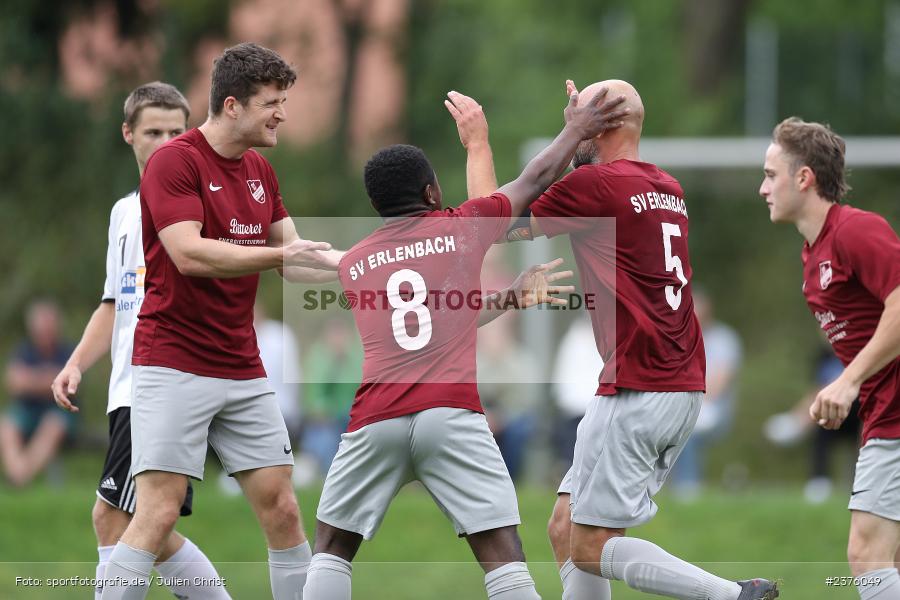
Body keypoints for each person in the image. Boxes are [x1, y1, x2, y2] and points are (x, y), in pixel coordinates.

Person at [302, 88, 629, 600]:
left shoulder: (355, 263)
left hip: (376, 418)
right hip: (450, 413)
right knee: (501, 553)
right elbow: (535, 179)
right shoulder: (461, 228)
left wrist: (507, 297)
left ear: (375, 204)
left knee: (330, 547)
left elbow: (431, 316)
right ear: (432, 192)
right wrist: (571, 129)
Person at [462, 79, 778, 600]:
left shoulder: (597, 187)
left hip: (639, 385)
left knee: (590, 548)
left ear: (598, 126)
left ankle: (732, 595)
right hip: (676, 381)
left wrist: (479, 146)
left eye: (579, 115)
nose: (570, 122)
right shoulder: (666, 186)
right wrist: (577, 131)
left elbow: (489, 222)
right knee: (565, 527)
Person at [94, 43, 342, 600]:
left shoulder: (259, 170)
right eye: (271, 103)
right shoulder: (174, 162)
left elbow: (296, 257)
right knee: (156, 513)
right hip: (172, 362)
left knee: (282, 507)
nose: (282, 114)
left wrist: (363, 265)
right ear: (233, 105)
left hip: (242, 366)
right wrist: (279, 256)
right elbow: (190, 254)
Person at [50, 81, 229, 599]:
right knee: (148, 525)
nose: (167, 142)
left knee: (114, 516)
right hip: (127, 388)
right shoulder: (123, 212)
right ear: (128, 133)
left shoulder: (199, 208)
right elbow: (115, 302)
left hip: (162, 383)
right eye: (154, 132)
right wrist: (76, 362)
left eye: (177, 132)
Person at [760, 116, 900, 599]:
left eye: (770, 175)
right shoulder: (813, 256)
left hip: (896, 416)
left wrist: (848, 381)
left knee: (867, 554)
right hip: (884, 413)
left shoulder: (855, 231)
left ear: (804, 178)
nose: (763, 188)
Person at [670, 287, 744, 499]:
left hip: (713, 410)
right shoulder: (675, 339)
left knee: (686, 429)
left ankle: (688, 487)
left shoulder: (724, 339)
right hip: (681, 404)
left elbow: (719, 382)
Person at [2, 300, 75, 487]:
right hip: (27, 410)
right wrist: (49, 379)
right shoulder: (24, 350)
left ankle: (19, 478)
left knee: (53, 424)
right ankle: (19, 475)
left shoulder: (68, 352)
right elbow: (15, 383)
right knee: (7, 425)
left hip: (60, 411)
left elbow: (69, 387)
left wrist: (30, 379)